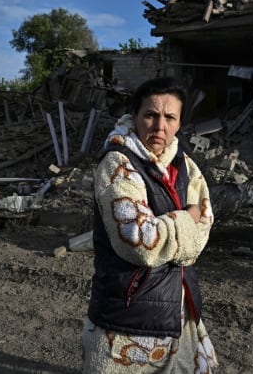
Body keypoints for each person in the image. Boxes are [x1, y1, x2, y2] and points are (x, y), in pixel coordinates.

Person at [82, 76, 218, 373]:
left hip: (176, 309)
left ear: (179, 123)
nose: (160, 126)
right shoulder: (117, 165)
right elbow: (140, 242)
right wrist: (186, 220)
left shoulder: (183, 165)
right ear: (135, 117)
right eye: (151, 115)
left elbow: (205, 222)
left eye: (170, 117)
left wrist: (175, 237)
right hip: (126, 317)